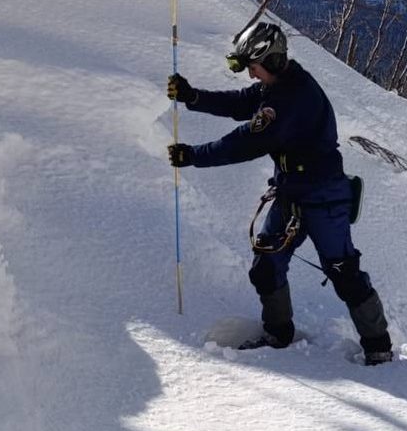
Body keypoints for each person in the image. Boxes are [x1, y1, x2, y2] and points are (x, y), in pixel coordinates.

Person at [166, 21, 393, 366]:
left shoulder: (293, 97)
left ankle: (379, 348)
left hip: (324, 198)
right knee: (266, 266)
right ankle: (278, 335)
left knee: (343, 271)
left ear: (271, 61)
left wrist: (194, 155)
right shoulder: (279, 83)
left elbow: (246, 142)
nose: (251, 75)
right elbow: (242, 103)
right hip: (290, 194)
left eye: (254, 67)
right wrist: (192, 97)